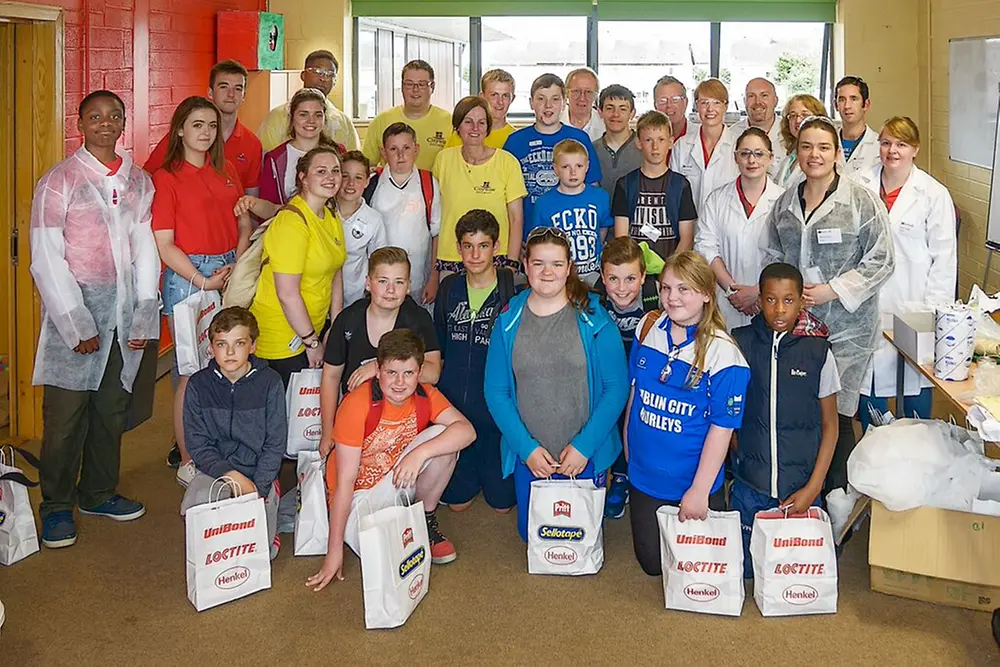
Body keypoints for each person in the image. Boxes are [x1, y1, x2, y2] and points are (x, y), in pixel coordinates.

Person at [30, 90, 160, 548]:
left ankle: (98, 492)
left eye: (114, 116)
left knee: (110, 410)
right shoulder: (60, 181)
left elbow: (145, 249)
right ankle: (57, 506)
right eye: (95, 116)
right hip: (80, 316)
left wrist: (144, 313)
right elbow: (46, 257)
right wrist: (76, 322)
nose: (105, 123)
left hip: (124, 316)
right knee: (65, 418)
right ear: (81, 123)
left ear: (124, 122)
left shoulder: (139, 181)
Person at [762, 115, 895, 492]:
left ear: (838, 153)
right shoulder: (786, 201)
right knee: (801, 408)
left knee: (835, 412)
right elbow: (774, 253)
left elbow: (882, 260)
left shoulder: (860, 201)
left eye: (823, 147)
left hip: (847, 330)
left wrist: (832, 290)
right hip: (798, 326)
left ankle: (838, 497)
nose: (814, 155)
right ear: (797, 152)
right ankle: (806, 490)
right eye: (806, 147)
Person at [484, 227, 629, 542]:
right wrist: (527, 449)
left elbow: (616, 387)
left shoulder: (593, 316)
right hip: (532, 457)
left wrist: (583, 447)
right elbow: (496, 392)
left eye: (556, 264)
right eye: (538, 263)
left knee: (581, 538)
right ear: (525, 265)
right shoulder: (508, 320)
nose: (547, 272)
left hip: (583, 455)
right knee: (534, 537)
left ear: (569, 268)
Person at [306, 330, 477, 590]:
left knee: (445, 437)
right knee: (389, 557)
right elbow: (345, 482)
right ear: (377, 370)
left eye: (408, 373)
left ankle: (425, 519)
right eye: (391, 373)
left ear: (419, 373)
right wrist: (334, 551)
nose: (400, 382)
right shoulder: (357, 404)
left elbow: (467, 431)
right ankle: (399, 528)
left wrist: (420, 454)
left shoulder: (425, 394)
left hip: (397, 478)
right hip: (359, 496)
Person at [625, 251, 750, 576]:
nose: (672, 297)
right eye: (666, 288)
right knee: (652, 564)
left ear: (707, 294)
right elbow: (635, 395)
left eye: (684, 289)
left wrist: (698, 491)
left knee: (695, 569)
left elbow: (722, 429)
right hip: (645, 475)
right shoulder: (648, 326)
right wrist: (629, 448)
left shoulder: (725, 355)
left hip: (691, 481)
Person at [152, 96, 252, 486]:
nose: (206, 132)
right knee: (190, 374)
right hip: (189, 278)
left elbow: (242, 226)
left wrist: (234, 268)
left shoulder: (226, 172)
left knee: (227, 364)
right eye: (197, 125)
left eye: (211, 125)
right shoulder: (167, 177)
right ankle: (190, 456)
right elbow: (165, 244)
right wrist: (202, 279)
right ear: (180, 129)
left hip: (228, 272)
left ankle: (219, 444)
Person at [729, 263, 839, 577]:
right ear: (759, 300)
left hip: (802, 487)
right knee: (747, 571)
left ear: (801, 301)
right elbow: (727, 414)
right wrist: (744, 453)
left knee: (793, 571)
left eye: (788, 300)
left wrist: (813, 486)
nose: (779, 310)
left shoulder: (818, 353)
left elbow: (830, 426)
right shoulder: (740, 343)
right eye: (770, 300)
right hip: (750, 487)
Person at [851, 117, 957, 429]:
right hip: (866, 306)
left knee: (915, 393)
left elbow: (945, 260)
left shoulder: (933, 194)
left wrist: (932, 316)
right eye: (885, 143)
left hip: (913, 305)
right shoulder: (859, 183)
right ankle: (876, 462)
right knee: (870, 394)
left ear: (915, 149)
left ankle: (915, 461)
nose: (892, 150)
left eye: (901, 144)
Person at [237, 146, 347, 388]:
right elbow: (287, 293)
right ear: (303, 178)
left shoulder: (329, 215)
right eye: (321, 171)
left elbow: (335, 270)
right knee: (285, 417)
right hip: (282, 337)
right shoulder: (292, 223)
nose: (330, 177)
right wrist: (311, 343)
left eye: (335, 171)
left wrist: (335, 325)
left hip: (311, 329)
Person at [181, 307, 285, 559]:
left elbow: (275, 444)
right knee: (197, 510)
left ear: (253, 346)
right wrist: (232, 476)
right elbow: (197, 443)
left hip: (258, 469)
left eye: (238, 343)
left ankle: (272, 499)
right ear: (211, 347)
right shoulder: (198, 385)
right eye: (221, 344)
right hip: (215, 469)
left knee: (262, 553)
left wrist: (257, 486)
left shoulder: (270, 382)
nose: (229, 352)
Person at [318, 247, 442, 456]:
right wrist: (328, 430)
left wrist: (376, 368)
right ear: (368, 283)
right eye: (383, 281)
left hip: (404, 420)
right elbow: (330, 376)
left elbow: (433, 373)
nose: (391, 290)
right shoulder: (349, 319)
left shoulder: (418, 320)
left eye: (399, 282)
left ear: (409, 286)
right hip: (356, 420)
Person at [435, 210, 518, 513]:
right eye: (468, 245)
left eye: (483, 245)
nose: (475, 254)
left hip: (495, 410)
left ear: (496, 247)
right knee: (457, 505)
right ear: (458, 248)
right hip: (457, 406)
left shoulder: (511, 291)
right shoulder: (449, 290)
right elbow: (440, 344)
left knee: (501, 505)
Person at [592, 237, 660, 519]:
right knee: (609, 418)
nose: (622, 288)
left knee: (637, 424)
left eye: (630, 278)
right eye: (614, 279)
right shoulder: (594, 301)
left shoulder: (655, 296)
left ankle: (630, 475)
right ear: (603, 276)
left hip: (642, 370)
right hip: (608, 371)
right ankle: (611, 474)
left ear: (643, 276)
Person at [695, 127, 785, 331]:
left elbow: (788, 254)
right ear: (736, 158)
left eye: (759, 153)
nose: (752, 160)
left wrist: (758, 291)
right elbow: (706, 247)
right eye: (745, 153)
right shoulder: (716, 200)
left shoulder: (784, 201)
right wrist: (731, 290)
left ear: (771, 158)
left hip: (769, 301)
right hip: (726, 301)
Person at [432, 97, 527, 278]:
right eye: (468, 122)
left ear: (488, 127)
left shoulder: (507, 162)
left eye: (481, 122)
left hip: (495, 257)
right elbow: (435, 217)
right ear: (457, 126)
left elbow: (516, 218)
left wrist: (512, 265)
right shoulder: (443, 160)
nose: (475, 128)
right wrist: (433, 273)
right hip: (451, 258)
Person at [503, 73, 602, 237]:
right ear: (531, 103)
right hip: (527, 234)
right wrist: (513, 238)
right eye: (541, 99)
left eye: (555, 99)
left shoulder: (579, 138)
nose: (548, 105)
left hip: (572, 234)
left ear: (564, 103)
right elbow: (505, 196)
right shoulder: (515, 142)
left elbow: (593, 188)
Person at [144, 60, 262, 194]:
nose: (231, 94)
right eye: (224, 87)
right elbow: (147, 178)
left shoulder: (252, 144)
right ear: (210, 93)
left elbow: (251, 199)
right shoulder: (185, 137)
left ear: (244, 96)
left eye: (238, 88)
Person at [364, 123, 442, 304]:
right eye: (393, 149)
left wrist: (433, 277)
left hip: (417, 280)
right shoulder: (372, 184)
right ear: (383, 152)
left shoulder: (428, 183)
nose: (400, 155)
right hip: (381, 281)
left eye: (406, 148)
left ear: (416, 149)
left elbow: (436, 233)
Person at [612, 110, 698, 262]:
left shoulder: (680, 185)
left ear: (671, 142)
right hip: (635, 271)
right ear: (638, 143)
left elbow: (686, 238)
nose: (655, 147)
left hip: (671, 271)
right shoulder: (625, 185)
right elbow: (622, 239)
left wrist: (670, 270)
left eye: (661, 140)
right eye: (648, 140)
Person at [527, 138, 613, 285]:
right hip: (561, 277)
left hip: (594, 272)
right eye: (566, 166)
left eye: (579, 166)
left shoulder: (600, 196)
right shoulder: (544, 203)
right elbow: (539, 241)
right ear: (555, 168)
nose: (573, 172)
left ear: (587, 166)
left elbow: (603, 228)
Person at [256, 88, 342, 213]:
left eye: (317, 115)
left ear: (325, 119)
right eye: (303, 114)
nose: (311, 121)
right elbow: (269, 206)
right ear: (292, 118)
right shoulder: (275, 159)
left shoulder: (338, 153)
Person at [258, 50, 359, 152]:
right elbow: (267, 159)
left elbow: (353, 162)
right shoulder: (277, 116)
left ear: (335, 81)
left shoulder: (344, 122)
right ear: (303, 75)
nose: (323, 79)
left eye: (329, 75)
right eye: (317, 72)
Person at [361, 59, 452, 171]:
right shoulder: (381, 121)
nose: (415, 90)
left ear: (432, 87)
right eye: (409, 84)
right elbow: (365, 167)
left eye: (422, 84)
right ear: (402, 87)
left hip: (435, 188)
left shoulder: (449, 122)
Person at [669, 78, 740, 213]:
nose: (710, 109)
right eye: (704, 102)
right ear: (696, 106)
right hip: (688, 226)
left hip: (725, 227)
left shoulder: (738, 146)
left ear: (725, 106)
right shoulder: (682, 146)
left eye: (716, 103)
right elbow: (674, 192)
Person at [337, 151, 388, 307]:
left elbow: (379, 263)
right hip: (318, 296)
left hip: (354, 299)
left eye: (358, 177)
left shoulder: (374, 219)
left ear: (367, 181)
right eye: (345, 176)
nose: (351, 183)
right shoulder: (322, 211)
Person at [444, 69, 518, 150]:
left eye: (505, 96)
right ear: (482, 97)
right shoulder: (463, 135)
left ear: (512, 99)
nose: (500, 102)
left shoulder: (517, 139)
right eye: (494, 95)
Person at [594, 84, 643, 199]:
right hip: (601, 216)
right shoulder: (591, 150)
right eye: (610, 108)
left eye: (623, 109)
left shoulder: (644, 147)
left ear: (632, 113)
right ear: (600, 112)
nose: (616, 114)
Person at [731, 77, 786, 180]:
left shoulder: (788, 134)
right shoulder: (732, 135)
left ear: (775, 101)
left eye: (764, 95)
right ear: (745, 101)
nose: (757, 101)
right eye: (751, 96)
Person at [775, 94, 827, 187]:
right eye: (793, 115)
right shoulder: (791, 158)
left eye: (805, 115)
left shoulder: (822, 156)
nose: (798, 120)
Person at [836, 76, 880, 178]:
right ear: (835, 105)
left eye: (854, 99)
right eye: (842, 100)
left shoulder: (878, 146)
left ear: (866, 104)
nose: (847, 106)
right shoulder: (828, 143)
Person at [561, 67, 606, 141]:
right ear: (566, 93)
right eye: (576, 91)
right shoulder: (554, 120)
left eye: (588, 92)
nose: (582, 98)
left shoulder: (604, 125)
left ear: (595, 96)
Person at [653, 75, 698, 147]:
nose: (669, 105)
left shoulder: (700, 136)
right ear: (655, 105)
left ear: (685, 102)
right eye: (663, 100)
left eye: (675, 99)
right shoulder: (646, 139)